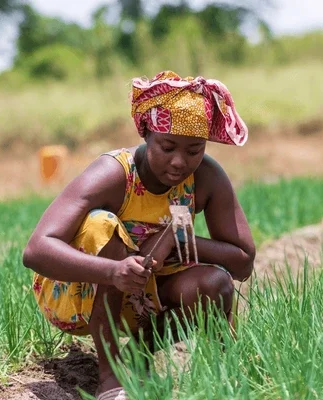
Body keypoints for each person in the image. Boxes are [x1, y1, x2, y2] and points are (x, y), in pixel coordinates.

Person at [22, 70, 256, 400]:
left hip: (143, 299)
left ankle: (184, 366)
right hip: (79, 295)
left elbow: (243, 262)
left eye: (194, 150)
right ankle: (110, 378)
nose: (179, 162)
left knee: (213, 283)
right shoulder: (115, 173)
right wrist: (113, 271)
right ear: (147, 133)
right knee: (100, 225)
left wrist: (177, 237)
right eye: (168, 146)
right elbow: (36, 250)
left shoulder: (205, 177)